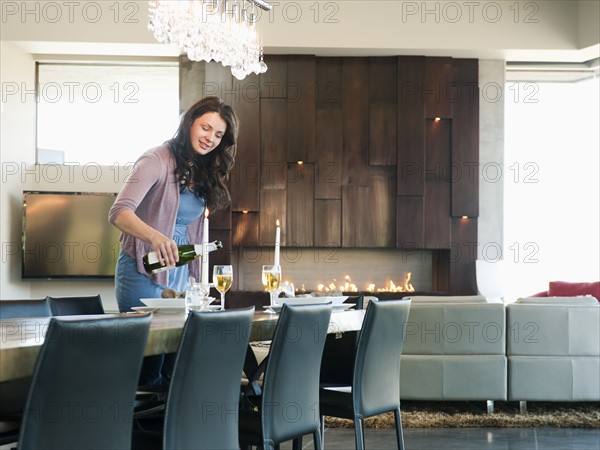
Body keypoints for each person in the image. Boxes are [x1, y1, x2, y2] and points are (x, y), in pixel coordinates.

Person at [109, 96, 238, 385]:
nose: (210, 139)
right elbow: (118, 212)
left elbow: (189, 226)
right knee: (147, 365)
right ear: (189, 122)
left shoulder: (201, 170)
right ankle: (135, 428)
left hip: (178, 272)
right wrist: (155, 236)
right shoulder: (156, 160)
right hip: (144, 269)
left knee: (172, 364)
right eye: (206, 128)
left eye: (218, 135)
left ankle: (166, 429)